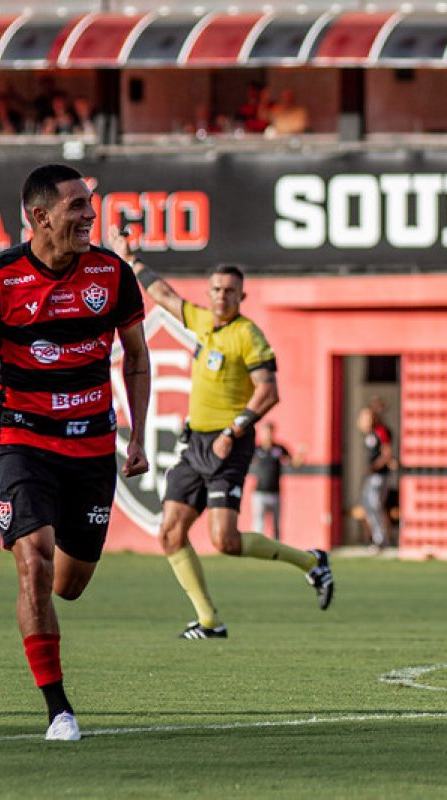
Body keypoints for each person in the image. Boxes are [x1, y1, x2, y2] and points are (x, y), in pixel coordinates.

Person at [107, 228, 334, 639]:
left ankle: (311, 561)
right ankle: (209, 620)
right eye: (216, 289)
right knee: (170, 532)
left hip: (228, 442)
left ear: (242, 297)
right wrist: (130, 259)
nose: (221, 296)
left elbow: (270, 392)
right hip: (195, 442)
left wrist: (235, 429)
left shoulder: (248, 335)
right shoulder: (201, 321)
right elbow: (163, 295)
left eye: (230, 291)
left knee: (224, 540)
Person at [0, 164, 151, 741]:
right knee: (33, 559)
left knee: (68, 583)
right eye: (77, 206)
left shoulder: (112, 274)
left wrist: (136, 436)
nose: (90, 215)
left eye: (90, 206)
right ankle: (58, 709)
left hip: (91, 448)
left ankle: (44, 617)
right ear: (40, 217)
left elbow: (135, 355)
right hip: (20, 440)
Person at [249, 420, 305, 541]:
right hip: (259, 493)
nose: (267, 435)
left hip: (275, 492)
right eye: (265, 432)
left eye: (269, 432)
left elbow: (294, 463)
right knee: (258, 523)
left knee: (276, 525)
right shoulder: (256, 450)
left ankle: (277, 550)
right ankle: (257, 548)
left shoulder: (279, 449)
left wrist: (301, 454)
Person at [358, 396, 398, 550]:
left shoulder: (382, 431)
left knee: (375, 505)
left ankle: (382, 539)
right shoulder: (371, 432)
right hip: (371, 475)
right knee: (368, 506)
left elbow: (387, 453)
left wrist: (375, 466)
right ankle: (376, 537)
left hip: (380, 475)